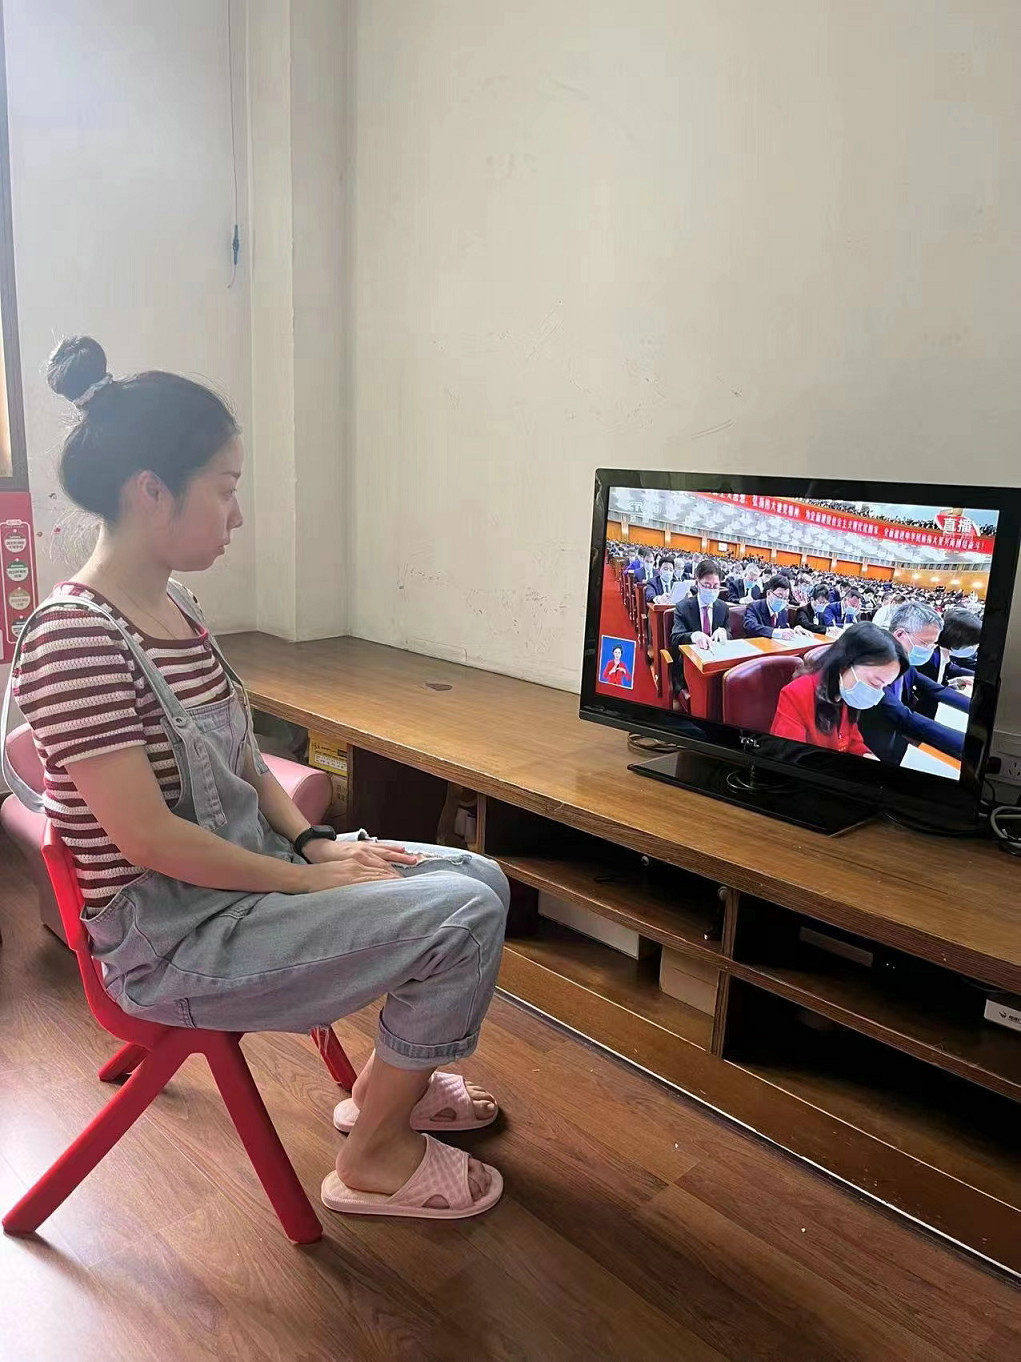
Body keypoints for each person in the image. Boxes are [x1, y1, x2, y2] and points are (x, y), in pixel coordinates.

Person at [5, 336, 510, 1223]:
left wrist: (314, 843)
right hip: (174, 941)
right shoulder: (74, 638)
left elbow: (241, 759)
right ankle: (373, 1156)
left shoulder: (174, 604)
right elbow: (148, 840)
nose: (236, 515)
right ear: (151, 491)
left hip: (244, 887)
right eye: (224, 488)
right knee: (460, 914)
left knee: (479, 877)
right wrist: (309, 880)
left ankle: (389, 1091)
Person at [858, 602, 970, 763]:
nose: (929, 650)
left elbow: (937, 690)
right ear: (900, 634)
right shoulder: (874, 665)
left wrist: (977, 708)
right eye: (925, 643)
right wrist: (970, 744)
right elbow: (903, 716)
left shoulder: (905, 661)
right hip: (873, 746)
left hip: (897, 738)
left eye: (933, 644)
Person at [771, 624, 907, 755]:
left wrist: (867, 755)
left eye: (885, 686)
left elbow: (852, 741)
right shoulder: (798, 693)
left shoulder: (846, 692)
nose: (877, 694)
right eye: (875, 682)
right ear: (845, 664)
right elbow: (789, 757)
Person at [670, 557, 731, 653]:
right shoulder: (682, 607)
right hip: (692, 655)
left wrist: (724, 633)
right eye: (706, 586)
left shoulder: (723, 607)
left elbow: (729, 633)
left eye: (715, 586)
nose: (711, 590)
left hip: (716, 654)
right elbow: (675, 639)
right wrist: (693, 636)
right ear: (697, 584)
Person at [743, 575, 796, 640]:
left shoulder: (783, 611)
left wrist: (794, 630)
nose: (782, 600)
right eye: (779, 596)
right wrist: (775, 632)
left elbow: (783, 629)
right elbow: (750, 627)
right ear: (768, 593)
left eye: (785, 598)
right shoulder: (754, 607)